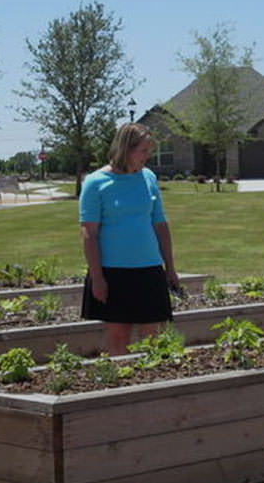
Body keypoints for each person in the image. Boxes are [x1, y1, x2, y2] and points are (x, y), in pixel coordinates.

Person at [80, 123, 180, 356]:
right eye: (143, 151)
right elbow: (89, 233)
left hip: (149, 268)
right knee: (118, 337)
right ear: (126, 149)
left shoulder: (148, 178)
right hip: (113, 272)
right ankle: (121, 388)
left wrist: (171, 268)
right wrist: (97, 277)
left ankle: (149, 388)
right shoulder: (96, 182)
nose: (148, 156)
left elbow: (160, 224)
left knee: (152, 338)